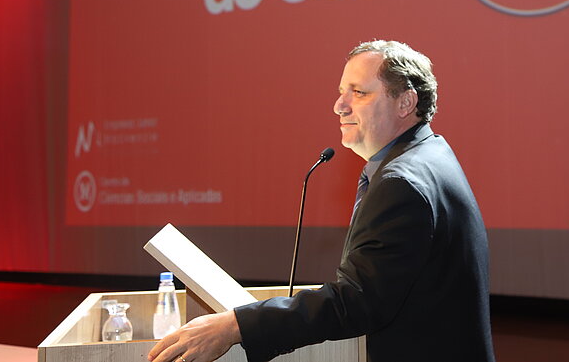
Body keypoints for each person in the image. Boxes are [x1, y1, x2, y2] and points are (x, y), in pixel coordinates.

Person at [149, 40, 494, 362]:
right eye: (341, 92)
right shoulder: (429, 154)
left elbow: (357, 301)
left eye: (358, 92)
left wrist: (235, 326)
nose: (339, 105)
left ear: (405, 102)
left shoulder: (401, 181)